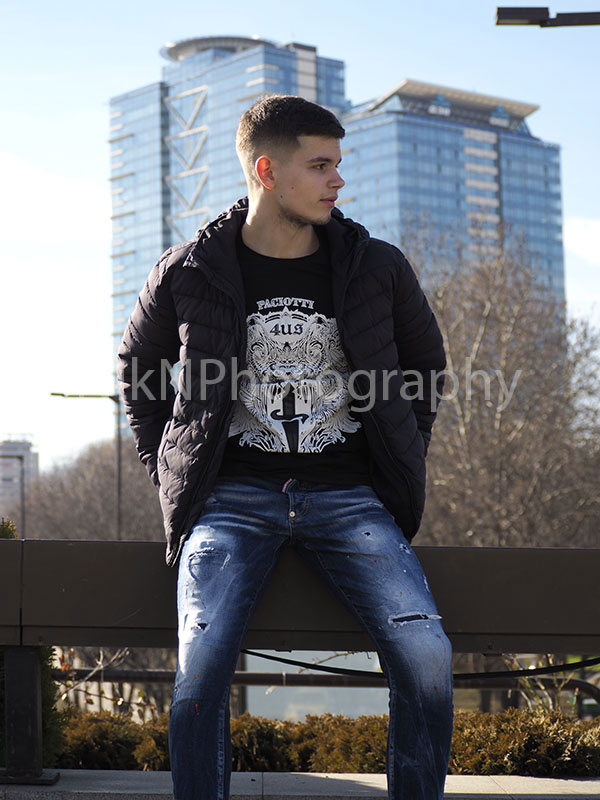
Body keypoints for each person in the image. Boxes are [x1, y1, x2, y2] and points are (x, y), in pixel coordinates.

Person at [118, 94, 453, 800]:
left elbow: (426, 364)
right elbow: (139, 369)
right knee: (199, 671)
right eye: (321, 165)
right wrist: (167, 467)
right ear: (268, 171)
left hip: (350, 497)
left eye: (339, 164)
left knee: (426, 656)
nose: (338, 180)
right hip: (230, 500)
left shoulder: (377, 267)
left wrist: (403, 449)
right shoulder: (187, 269)